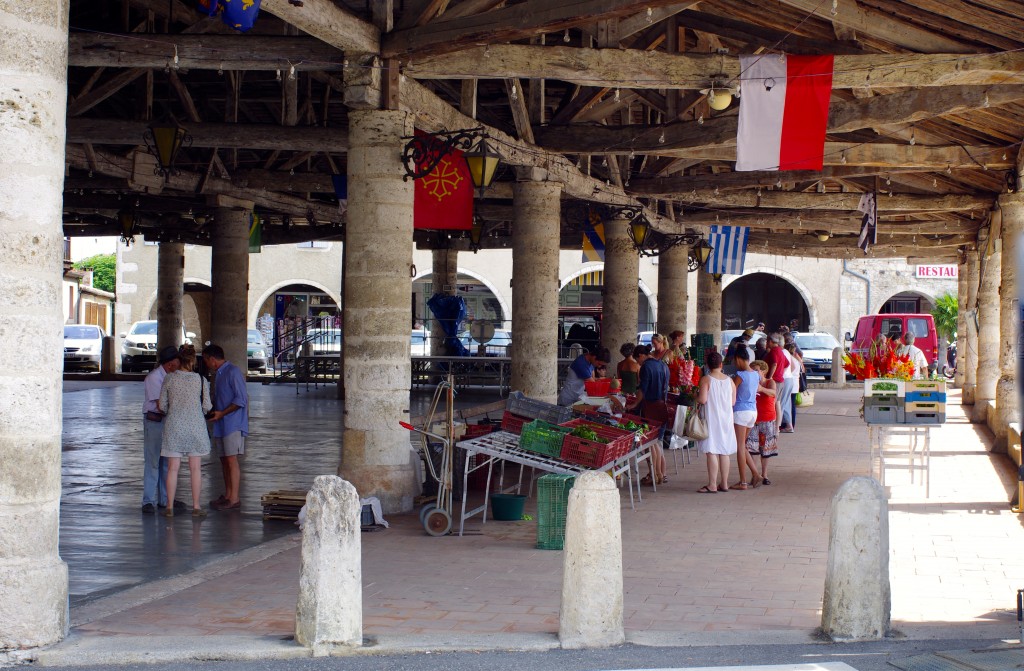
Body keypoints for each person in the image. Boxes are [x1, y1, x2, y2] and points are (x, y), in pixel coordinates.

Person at [159, 345, 213, 518]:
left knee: (173, 469)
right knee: (195, 468)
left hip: (174, 426)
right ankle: (196, 507)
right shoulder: (201, 380)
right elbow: (207, 406)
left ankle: (169, 507)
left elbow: (162, 405)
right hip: (195, 427)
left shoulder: (169, 379)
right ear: (193, 361)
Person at [202, 344, 249, 511]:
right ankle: (228, 494)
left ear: (212, 360)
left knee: (231, 460)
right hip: (221, 423)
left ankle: (234, 498)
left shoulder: (233, 372)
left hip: (232, 423)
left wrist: (223, 413)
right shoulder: (219, 374)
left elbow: (240, 400)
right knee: (223, 460)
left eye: (206, 360)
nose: (206, 364)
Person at [141, 346, 184, 514]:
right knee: (153, 461)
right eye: (177, 361)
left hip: (167, 421)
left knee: (166, 462)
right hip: (155, 421)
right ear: (171, 363)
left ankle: (165, 499)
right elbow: (161, 404)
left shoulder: (170, 377)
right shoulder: (154, 378)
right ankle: (149, 500)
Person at [625, 345, 669, 486]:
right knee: (658, 442)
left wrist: (634, 404)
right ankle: (660, 474)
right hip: (663, 406)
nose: (638, 363)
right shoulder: (662, 365)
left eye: (637, 360)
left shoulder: (646, 367)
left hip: (651, 407)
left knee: (650, 443)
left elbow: (643, 389)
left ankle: (654, 474)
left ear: (640, 356)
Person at [695, 351, 736, 493]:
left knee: (711, 450)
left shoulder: (706, 379)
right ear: (721, 364)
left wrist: (695, 396)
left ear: (707, 365)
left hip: (712, 417)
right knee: (724, 451)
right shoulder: (729, 380)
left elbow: (702, 400)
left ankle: (712, 484)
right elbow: (733, 401)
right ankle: (724, 483)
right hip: (726, 419)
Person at [730, 347, 763, 490]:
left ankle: (743, 482)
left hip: (741, 412)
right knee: (743, 446)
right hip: (753, 412)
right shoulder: (756, 374)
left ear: (738, 359)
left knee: (739, 447)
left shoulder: (740, 375)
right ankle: (756, 474)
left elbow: (731, 392)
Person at [745, 360, 778, 485]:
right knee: (752, 448)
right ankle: (755, 474)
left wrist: (761, 388)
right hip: (753, 419)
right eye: (752, 370)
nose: (754, 372)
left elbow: (774, 393)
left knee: (765, 449)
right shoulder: (750, 383)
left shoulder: (770, 382)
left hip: (767, 419)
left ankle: (765, 474)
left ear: (763, 371)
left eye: (756, 370)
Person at [764, 333, 789, 431]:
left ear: (770, 341)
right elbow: (787, 364)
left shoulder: (774, 351)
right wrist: (780, 372)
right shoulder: (780, 351)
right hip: (780, 380)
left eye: (767, 341)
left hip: (775, 381)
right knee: (777, 403)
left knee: (771, 403)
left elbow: (774, 363)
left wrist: (770, 377)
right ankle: (777, 426)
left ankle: (773, 425)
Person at [778, 339, 798, 433]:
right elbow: (792, 367)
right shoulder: (786, 352)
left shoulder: (781, 352)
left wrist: (782, 373)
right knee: (786, 404)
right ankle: (789, 425)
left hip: (784, 379)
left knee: (780, 403)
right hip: (789, 378)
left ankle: (777, 426)